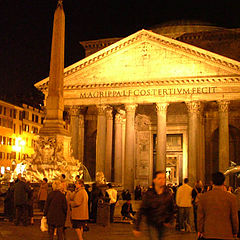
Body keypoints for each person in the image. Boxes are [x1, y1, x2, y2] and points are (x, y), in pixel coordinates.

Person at [133, 171, 176, 240]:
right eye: (160, 178)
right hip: (152, 223)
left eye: (164, 178)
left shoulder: (168, 194)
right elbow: (142, 210)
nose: (162, 180)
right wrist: (137, 227)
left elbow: (171, 209)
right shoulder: (149, 194)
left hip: (163, 223)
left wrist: (169, 221)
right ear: (154, 180)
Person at [198, 172, 239, 240]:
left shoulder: (204, 197)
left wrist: (200, 230)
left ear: (211, 182)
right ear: (224, 182)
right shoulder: (231, 198)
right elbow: (234, 217)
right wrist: (235, 231)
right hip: (226, 233)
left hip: (208, 233)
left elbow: (200, 217)